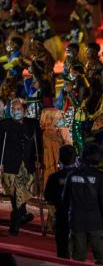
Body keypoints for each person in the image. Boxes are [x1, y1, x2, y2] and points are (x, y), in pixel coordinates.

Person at [62, 143, 103, 265]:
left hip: (76, 222)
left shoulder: (72, 175)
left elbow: (64, 200)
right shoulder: (102, 177)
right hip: (96, 223)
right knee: (101, 258)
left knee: (77, 259)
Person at [0, 98, 42, 235]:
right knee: (15, 193)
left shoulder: (33, 124)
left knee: (21, 193)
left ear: (24, 110)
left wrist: (38, 159)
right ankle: (16, 223)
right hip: (10, 164)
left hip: (27, 164)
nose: (15, 112)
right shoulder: (4, 124)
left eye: (18, 109)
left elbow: (39, 144)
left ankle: (20, 217)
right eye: (13, 109)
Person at [44, 145, 76, 259]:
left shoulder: (54, 177)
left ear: (60, 158)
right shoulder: (82, 175)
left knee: (62, 250)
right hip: (79, 217)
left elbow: (48, 196)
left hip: (62, 215)